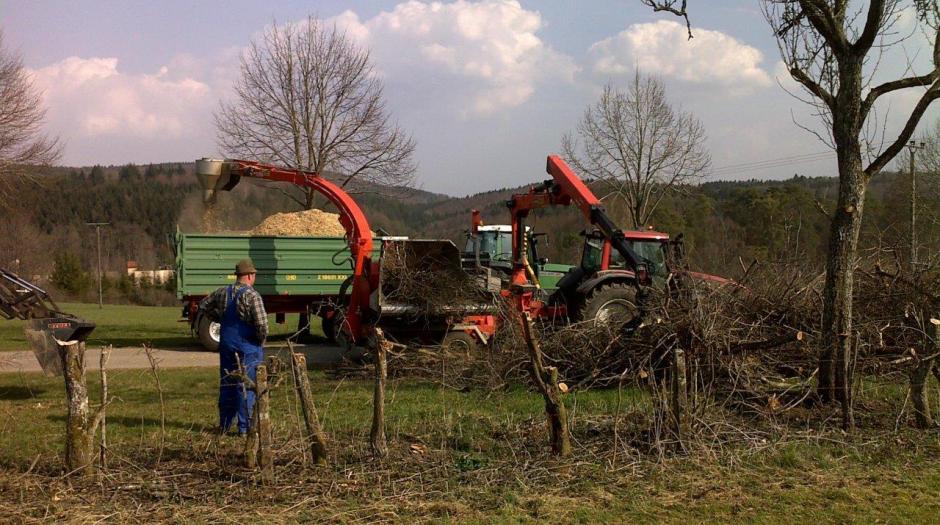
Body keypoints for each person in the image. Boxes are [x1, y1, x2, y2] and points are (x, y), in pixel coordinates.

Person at [199, 259, 268, 435]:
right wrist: (259, 342)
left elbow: (203, 305)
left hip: (227, 344)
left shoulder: (222, 292)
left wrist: (217, 317)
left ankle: (224, 425)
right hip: (248, 346)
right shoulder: (253, 296)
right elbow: (262, 325)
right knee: (246, 386)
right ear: (251, 276)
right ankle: (244, 428)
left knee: (227, 383)